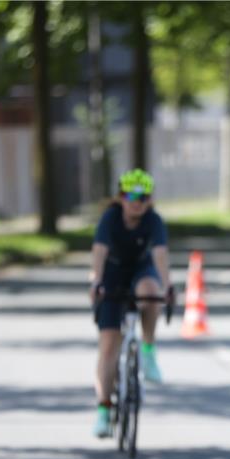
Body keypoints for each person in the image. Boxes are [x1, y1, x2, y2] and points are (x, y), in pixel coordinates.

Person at [89, 169, 172, 438]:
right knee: (109, 345)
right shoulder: (110, 218)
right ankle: (103, 409)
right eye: (130, 195)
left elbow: (159, 254)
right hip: (112, 276)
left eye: (142, 196)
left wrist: (168, 285)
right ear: (121, 197)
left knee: (151, 291)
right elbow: (99, 252)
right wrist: (95, 282)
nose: (136, 200)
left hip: (140, 271)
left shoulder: (153, 220)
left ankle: (147, 350)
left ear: (149, 199)